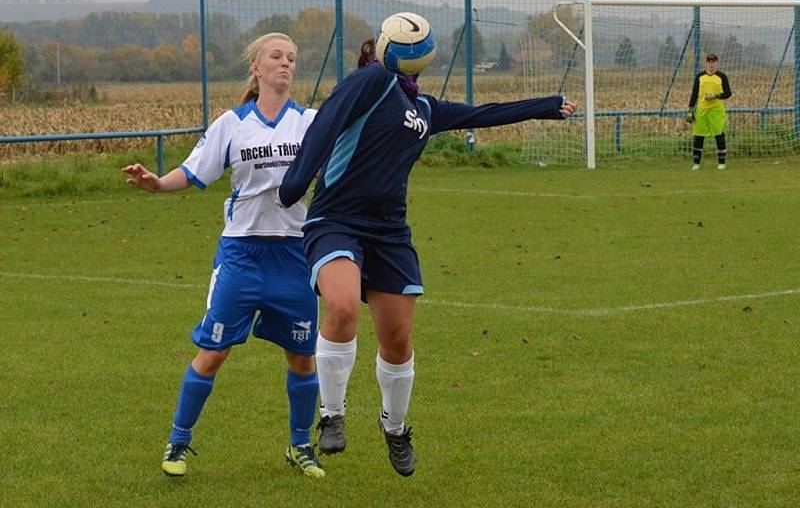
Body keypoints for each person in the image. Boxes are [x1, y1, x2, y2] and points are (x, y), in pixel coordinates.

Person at [277, 31, 577, 477]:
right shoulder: (369, 84)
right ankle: (332, 415)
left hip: (390, 232)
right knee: (340, 305)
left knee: (397, 340)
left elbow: (481, 115)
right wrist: (296, 182)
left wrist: (547, 106)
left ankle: (394, 428)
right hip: (337, 220)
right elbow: (324, 128)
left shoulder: (423, 108)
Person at [122, 33, 326, 479]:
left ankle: (299, 445)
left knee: (302, 358)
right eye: (276, 56)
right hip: (242, 256)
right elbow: (194, 173)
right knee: (213, 353)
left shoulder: (311, 122)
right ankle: (178, 443)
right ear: (256, 67)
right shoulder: (231, 124)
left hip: (294, 255)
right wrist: (157, 183)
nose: (286, 64)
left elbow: (342, 166)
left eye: (292, 58)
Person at [686, 53, 732, 170]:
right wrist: (691, 109)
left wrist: (716, 96)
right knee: (698, 135)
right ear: (706, 63)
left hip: (716, 110)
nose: (711, 64)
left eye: (713, 62)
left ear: (717, 63)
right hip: (702, 109)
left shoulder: (722, 76)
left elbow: (728, 93)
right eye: (709, 62)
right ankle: (696, 163)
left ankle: (721, 162)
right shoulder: (700, 76)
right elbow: (694, 93)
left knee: (719, 134)